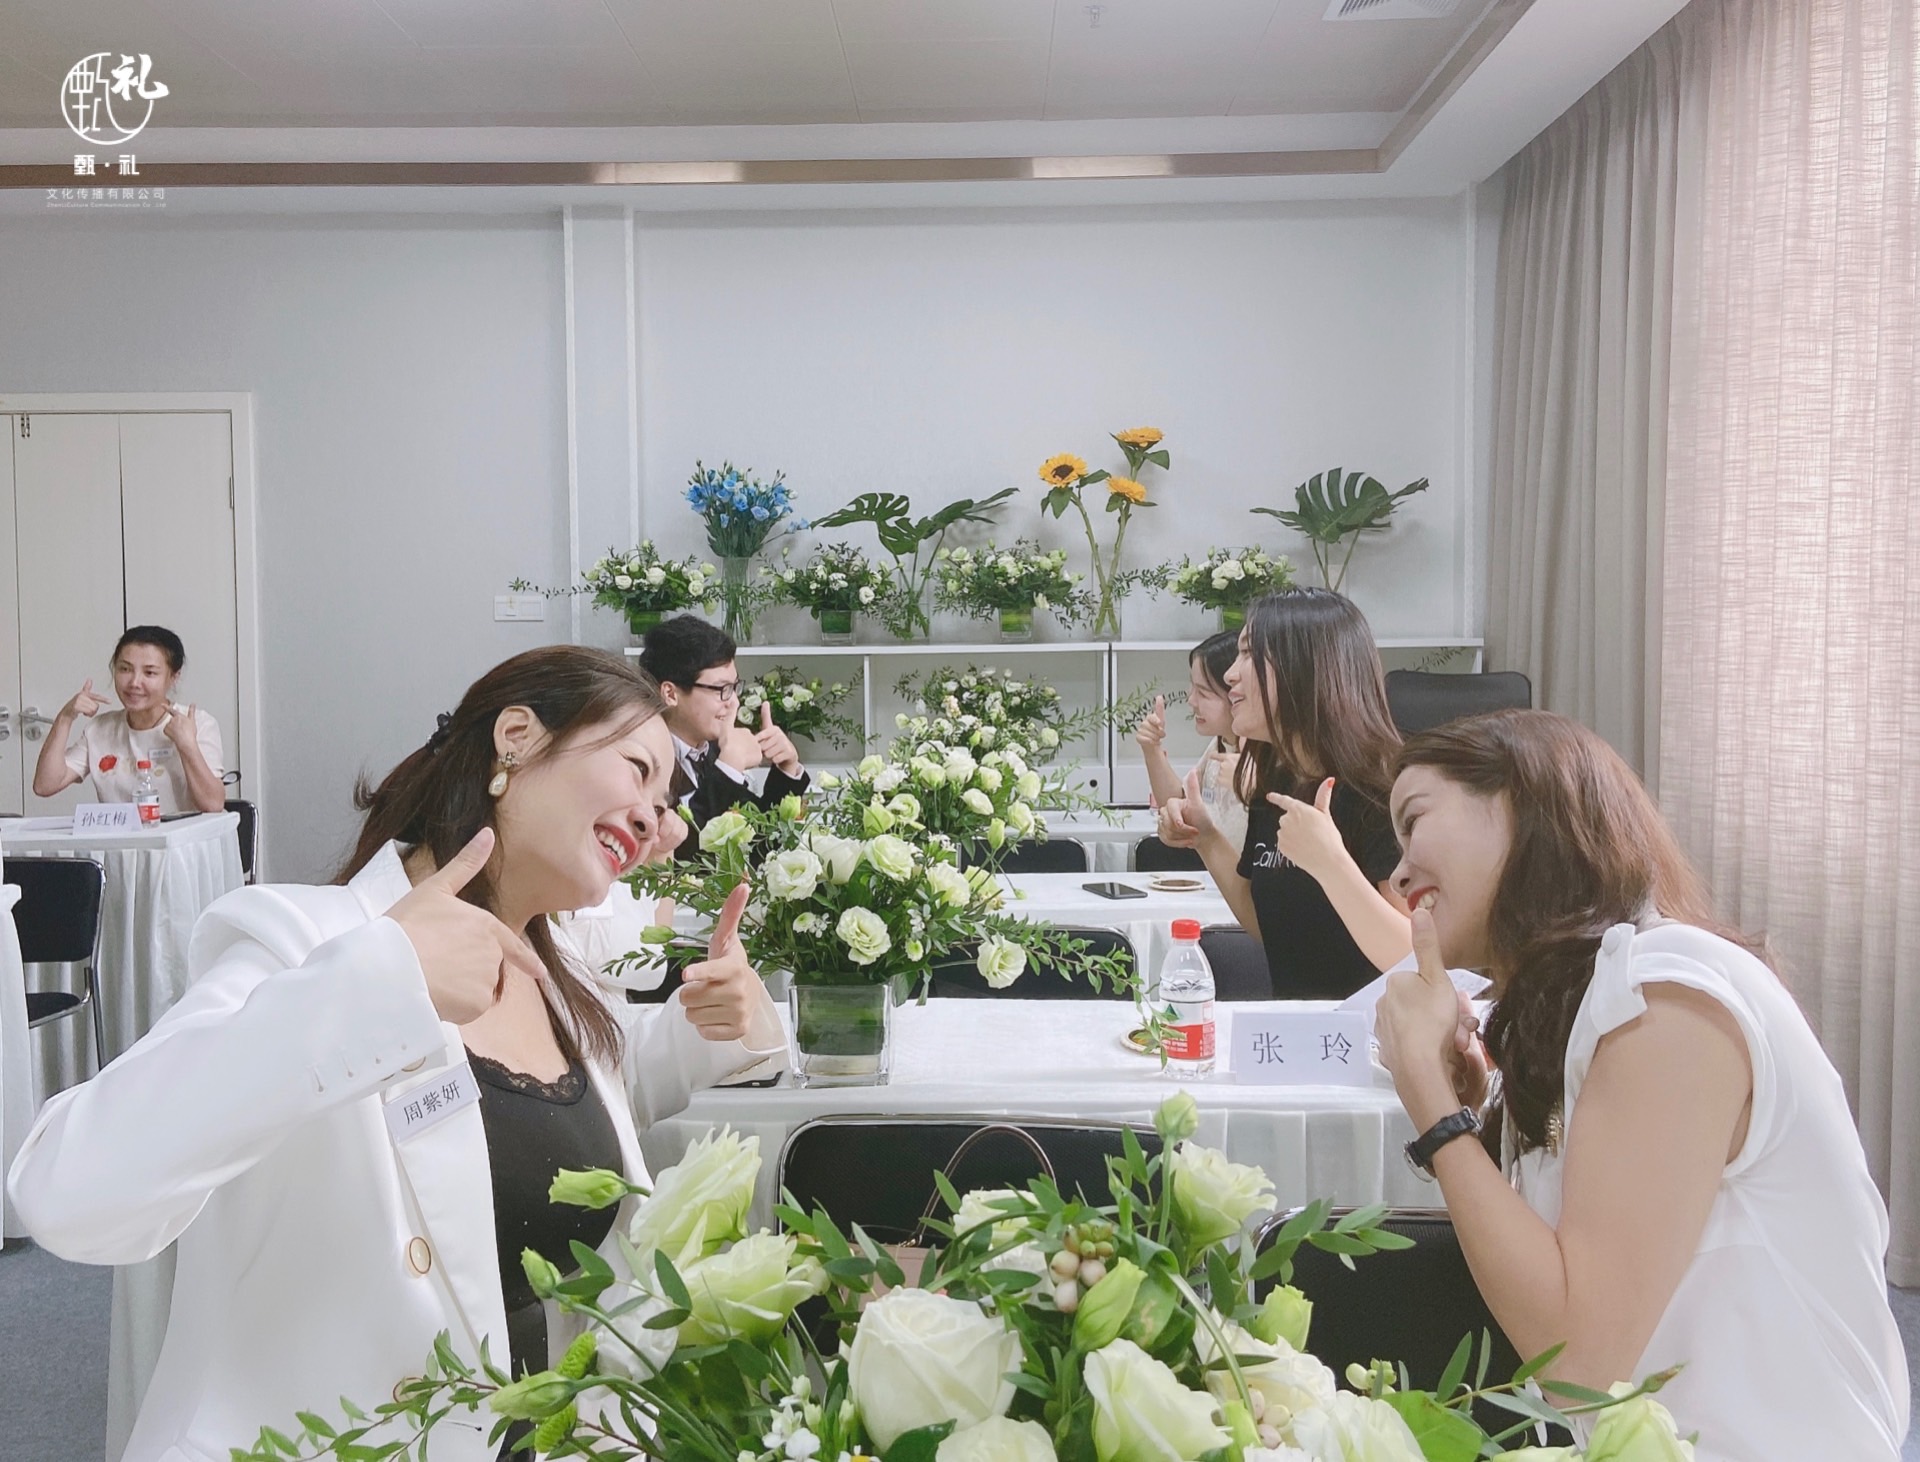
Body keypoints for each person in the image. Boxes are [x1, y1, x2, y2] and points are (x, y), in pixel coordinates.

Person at [7, 646, 785, 1462]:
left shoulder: (556, 980)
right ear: (517, 737)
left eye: (663, 801)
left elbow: (566, 1118)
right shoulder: (306, 941)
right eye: (636, 769)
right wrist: (377, 983)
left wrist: (715, 1020)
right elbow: (67, 1189)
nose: (655, 820)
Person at [1374, 710, 1908, 1461]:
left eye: (1414, 820)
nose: (1398, 874)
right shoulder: (1590, 1004)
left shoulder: (1665, 995)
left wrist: (1431, 1103)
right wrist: (1470, 1112)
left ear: (1522, 802)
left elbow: (1579, 1366)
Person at [1155, 588, 1410, 997]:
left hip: (1373, 1031)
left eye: (1248, 654)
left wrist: (1330, 863)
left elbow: (1414, 956)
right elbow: (1272, 927)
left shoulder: (1384, 790)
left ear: (1304, 668)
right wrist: (1206, 839)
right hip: (1297, 1026)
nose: (1231, 675)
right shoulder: (1279, 782)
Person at [637, 615, 809, 854]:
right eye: (721, 689)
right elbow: (684, 855)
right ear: (670, 694)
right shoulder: (642, 764)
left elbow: (757, 847)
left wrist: (786, 771)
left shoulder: (714, 749)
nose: (734, 702)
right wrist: (728, 769)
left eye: (734, 687)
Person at [32, 625, 227, 814]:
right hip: (122, 837)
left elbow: (213, 804)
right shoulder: (100, 729)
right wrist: (65, 717)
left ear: (174, 677)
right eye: (125, 669)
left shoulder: (197, 723)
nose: (134, 683)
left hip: (183, 837)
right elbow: (45, 785)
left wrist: (188, 746)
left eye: (150, 673)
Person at [1134, 630, 1248, 853]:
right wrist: (1152, 749)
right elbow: (1182, 807)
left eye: (1204, 693)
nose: (1191, 701)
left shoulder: (1265, 756)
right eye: (1192, 687)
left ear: (1237, 692)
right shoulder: (1220, 744)